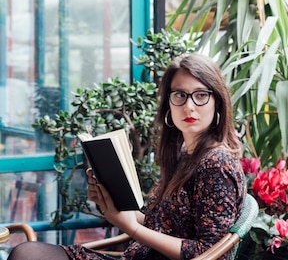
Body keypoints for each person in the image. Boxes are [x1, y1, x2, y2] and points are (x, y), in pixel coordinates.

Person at [8, 54, 246, 260]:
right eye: (179, 95)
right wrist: (113, 206)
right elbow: (164, 227)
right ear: (168, 105)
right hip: (136, 255)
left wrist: (130, 228)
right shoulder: (186, 154)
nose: (189, 106)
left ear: (218, 103)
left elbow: (211, 252)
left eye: (201, 95)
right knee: (26, 253)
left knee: (26, 254)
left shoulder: (216, 164)